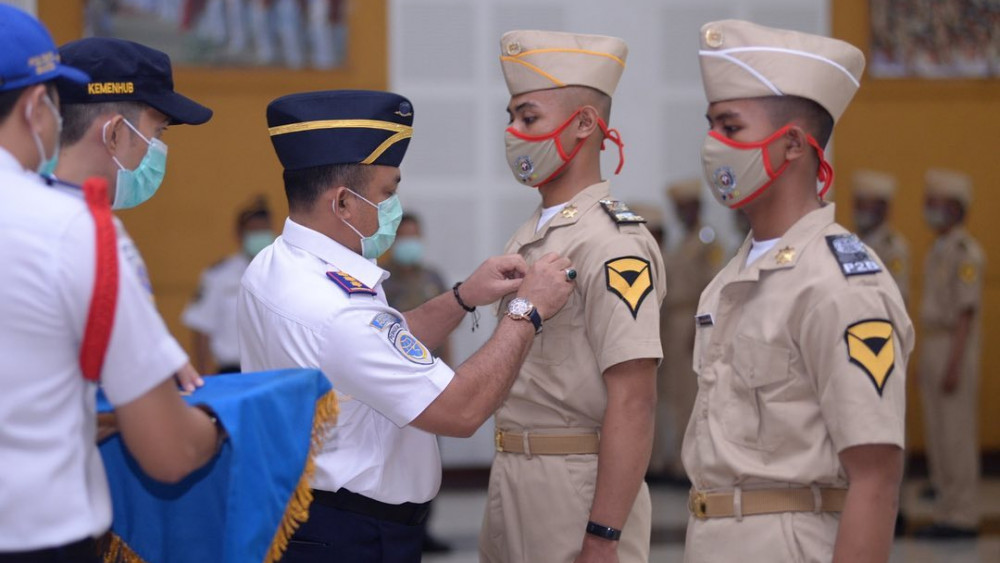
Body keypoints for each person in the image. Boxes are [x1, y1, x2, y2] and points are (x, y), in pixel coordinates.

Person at [238, 89, 576, 562]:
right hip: (350, 536)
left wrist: (463, 297)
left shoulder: (278, 265)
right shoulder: (335, 309)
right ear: (342, 204)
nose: (393, 207)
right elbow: (460, 410)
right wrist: (528, 312)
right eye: (387, 193)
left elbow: (384, 342)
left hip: (309, 516)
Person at [682, 20, 914, 563]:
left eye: (731, 128)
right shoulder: (731, 278)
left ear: (791, 145)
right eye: (711, 126)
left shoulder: (840, 283)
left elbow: (876, 479)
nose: (714, 146)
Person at [0, 6, 224, 560]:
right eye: (52, 102)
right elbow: (168, 454)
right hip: (35, 534)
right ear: (35, 107)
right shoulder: (77, 233)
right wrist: (235, 418)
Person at [481, 30, 665, 563]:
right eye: (511, 116)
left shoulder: (612, 241)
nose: (514, 132)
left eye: (529, 117)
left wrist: (603, 536)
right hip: (512, 476)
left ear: (585, 123)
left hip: (575, 487)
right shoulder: (533, 234)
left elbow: (635, 399)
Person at [53, 36, 217, 391]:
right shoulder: (95, 240)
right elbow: (160, 429)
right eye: (155, 131)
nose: (156, 149)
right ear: (113, 134)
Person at [914, 168, 984, 540]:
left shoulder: (965, 252)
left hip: (955, 346)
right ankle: (946, 508)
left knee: (956, 435)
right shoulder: (937, 249)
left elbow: (965, 314)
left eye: (937, 204)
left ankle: (964, 515)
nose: (930, 210)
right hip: (935, 343)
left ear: (956, 209)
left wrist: (954, 363)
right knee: (939, 435)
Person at [649, 179, 723, 484]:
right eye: (680, 209)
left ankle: (686, 467)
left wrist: (700, 326)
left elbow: (713, 285)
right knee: (672, 394)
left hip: (691, 320)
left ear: (698, 208)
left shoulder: (708, 242)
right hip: (672, 322)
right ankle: (670, 460)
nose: (684, 214)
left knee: (689, 396)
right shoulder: (683, 243)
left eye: (689, 207)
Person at [183, 196, 275, 374]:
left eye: (264, 230)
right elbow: (201, 328)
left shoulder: (282, 272)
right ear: (240, 235)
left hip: (272, 372)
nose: (260, 236)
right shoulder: (218, 276)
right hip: (232, 372)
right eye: (254, 231)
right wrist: (204, 380)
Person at [382, 212, 451, 364]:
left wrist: (449, 365)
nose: (410, 242)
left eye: (414, 237)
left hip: (432, 361)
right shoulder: (382, 278)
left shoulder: (433, 277)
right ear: (394, 240)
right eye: (405, 237)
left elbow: (446, 326)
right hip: (396, 361)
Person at [852, 169, 910, 303]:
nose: (862, 211)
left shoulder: (893, 248)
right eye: (859, 205)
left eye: (868, 206)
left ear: (883, 209)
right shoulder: (851, 242)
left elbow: (897, 297)